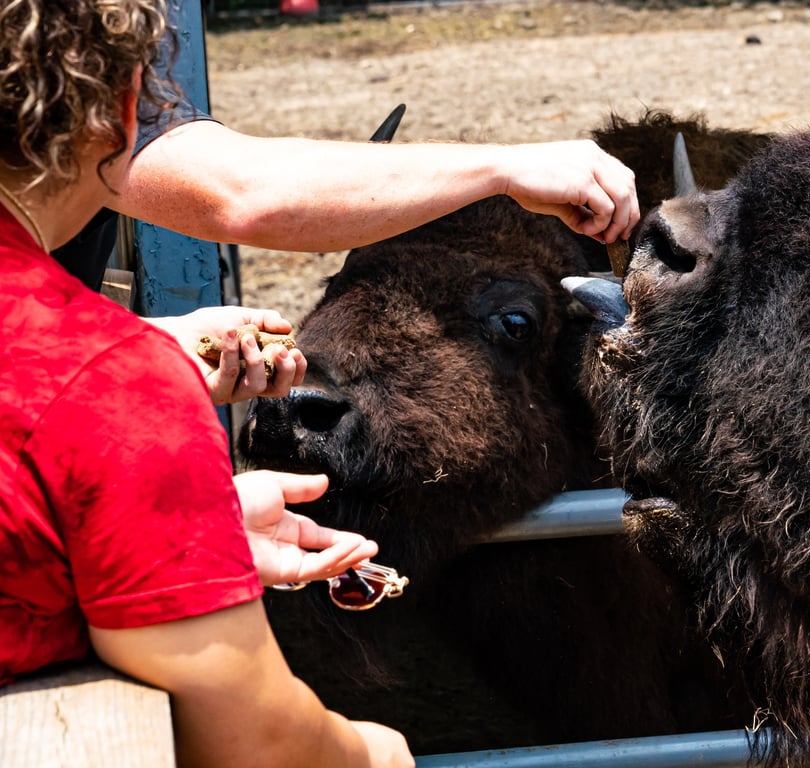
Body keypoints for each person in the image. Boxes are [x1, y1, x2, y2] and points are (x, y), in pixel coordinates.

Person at [0, 2, 412, 765]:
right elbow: (260, 741)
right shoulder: (109, 385)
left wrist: (187, 531)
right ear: (122, 109)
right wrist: (378, 752)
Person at [53, 0, 640, 406]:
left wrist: (149, 342)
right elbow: (246, 192)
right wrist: (504, 168)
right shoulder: (80, 75)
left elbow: (22, 349)